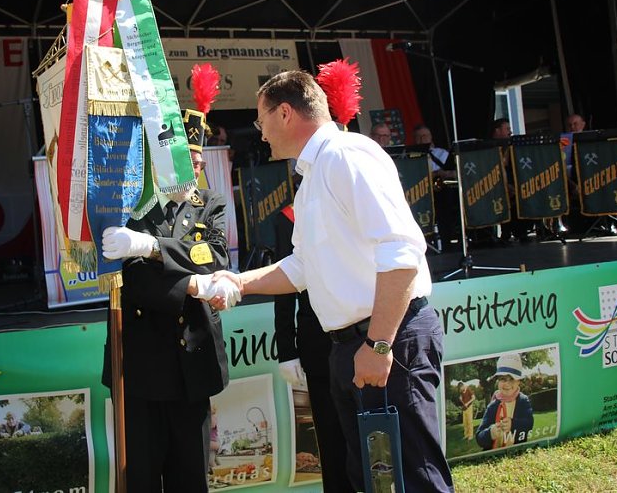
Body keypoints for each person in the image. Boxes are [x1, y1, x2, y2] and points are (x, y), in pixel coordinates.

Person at [203, 70, 454, 492]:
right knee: (371, 480)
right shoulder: (313, 176)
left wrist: (378, 345)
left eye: (262, 121)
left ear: (285, 113)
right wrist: (240, 282)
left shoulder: (346, 156)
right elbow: (302, 267)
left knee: (412, 478)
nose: (261, 135)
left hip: (386, 342)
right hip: (351, 348)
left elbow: (403, 255)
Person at [100, 105, 240, 492]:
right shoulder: (131, 205)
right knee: (141, 479)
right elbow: (136, 280)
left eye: (199, 161)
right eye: (186, 160)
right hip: (141, 369)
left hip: (191, 368)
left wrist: (152, 247)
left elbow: (213, 257)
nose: (194, 169)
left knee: (191, 478)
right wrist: (195, 285)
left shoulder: (210, 204)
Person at [273, 200, 351, 493]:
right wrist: (286, 349)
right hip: (318, 343)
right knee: (330, 437)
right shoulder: (289, 216)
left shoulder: (350, 202)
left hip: (361, 334)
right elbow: (285, 284)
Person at [475, 353, 533, 451]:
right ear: (498, 381)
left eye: (512, 379)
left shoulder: (523, 401)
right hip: (493, 453)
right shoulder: (493, 405)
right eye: (503, 379)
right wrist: (490, 432)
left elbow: (529, 424)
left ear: (519, 381)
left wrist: (513, 424)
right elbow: (479, 437)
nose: (507, 384)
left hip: (515, 452)